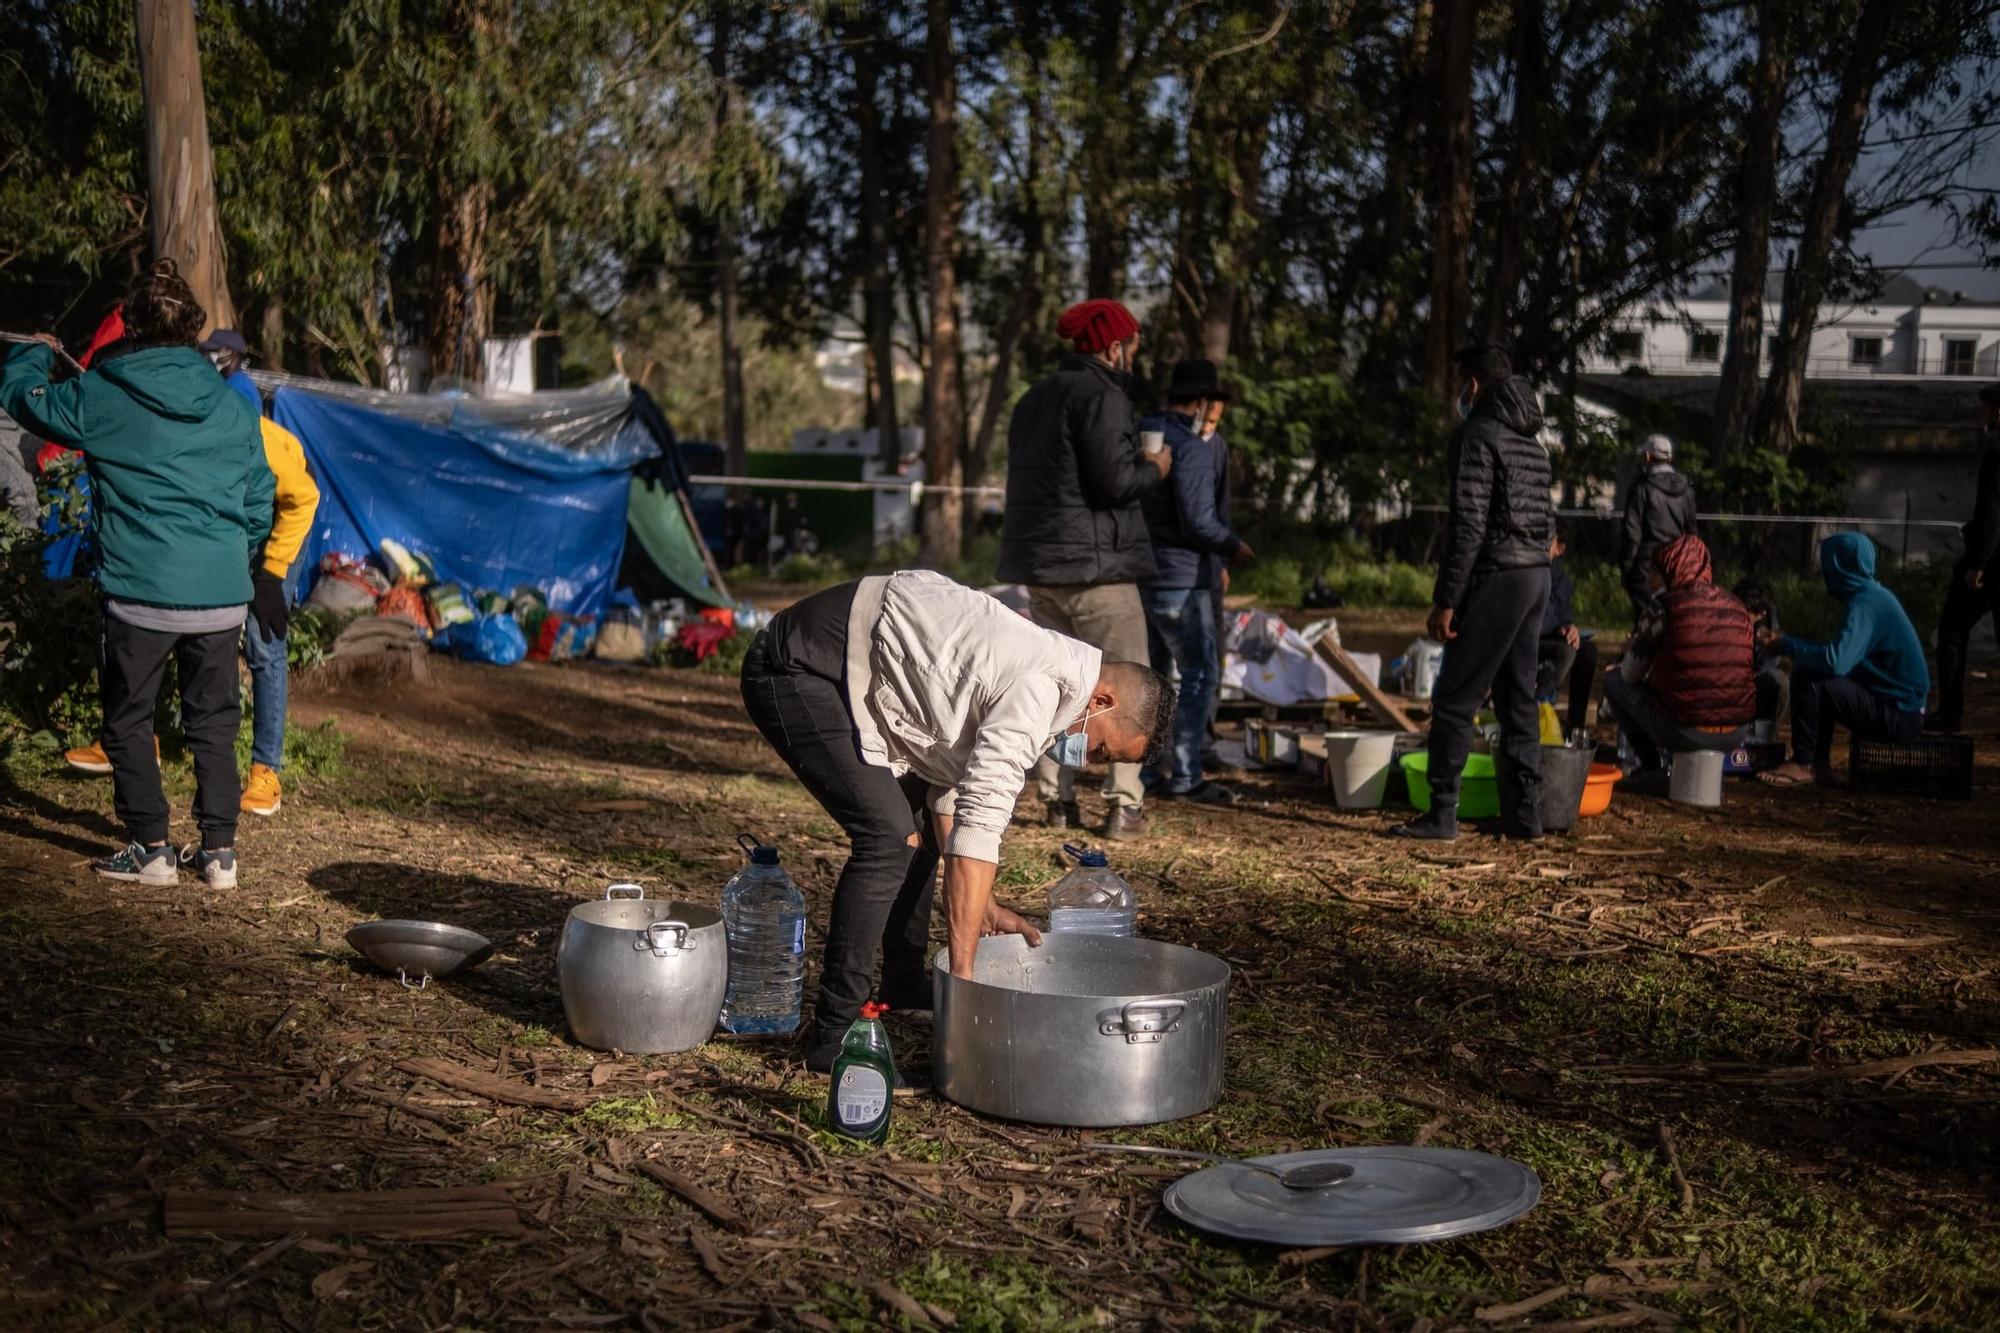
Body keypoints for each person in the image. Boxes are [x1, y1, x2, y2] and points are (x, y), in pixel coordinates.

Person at [739, 570, 1173, 1071]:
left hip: (849, 672)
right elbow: (981, 823)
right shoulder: (1041, 688)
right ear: (1101, 701)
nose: (1087, 760)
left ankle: (903, 981)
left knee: (917, 824)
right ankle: (835, 1035)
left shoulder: (1052, 678)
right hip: (795, 667)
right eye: (1100, 750)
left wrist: (980, 902)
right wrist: (965, 986)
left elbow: (952, 790)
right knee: (886, 838)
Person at [0, 259, 275, 887]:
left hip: (142, 596)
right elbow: (261, 497)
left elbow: (24, 402)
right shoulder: (232, 407)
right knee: (214, 721)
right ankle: (219, 854)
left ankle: (151, 848)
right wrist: (238, 557)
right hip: (221, 597)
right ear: (191, 330)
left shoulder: (102, 393)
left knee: (128, 718)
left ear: (134, 324)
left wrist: (33, 356)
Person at [64, 332, 318, 819]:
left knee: (264, 644)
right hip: (220, 535)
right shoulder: (161, 416)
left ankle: (268, 771)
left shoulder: (242, 424)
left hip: (279, 524)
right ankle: (138, 736)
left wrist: (270, 574)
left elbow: (302, 498)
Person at [998, 299, 1171, 839]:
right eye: (1133, 348)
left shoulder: (1032, 400)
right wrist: (1154, 467)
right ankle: (1123, 805)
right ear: (1113, 346)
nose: (1134, 359)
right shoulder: (1105, 396)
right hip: (1098, 572)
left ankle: (1057, 801)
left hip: (1040, 567)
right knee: (1129, 684)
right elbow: (1114, 483)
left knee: (1054, 687)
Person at [1392, 345, 1553, 842]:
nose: (1458, 393)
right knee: (1516, 696)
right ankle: (1525, 814)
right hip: (1536, 576)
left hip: (1498, 575)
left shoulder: (1477, 436)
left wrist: (1447, 599)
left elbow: (1468, 525)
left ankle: (1441, 812)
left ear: (1475, 385)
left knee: (1457, 696)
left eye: (1461, 381)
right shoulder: (1532, 445)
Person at [1137, 358, 1249, 805]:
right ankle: (1185, 772)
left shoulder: (1146, 434)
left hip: (1144, 573)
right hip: (1183, 577)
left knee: (1154, 677)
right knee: (1201, 672)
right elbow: (1199, 519)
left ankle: (1147, 772)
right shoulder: (1192, 446)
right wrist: (1232, 545)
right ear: (1202, 402)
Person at [1760, 532, 1929, 788]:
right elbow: (1839, 657)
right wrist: (1790, 644)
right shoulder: (1873, 596)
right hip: (1903, 709)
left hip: (1898, 716)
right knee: (1821, 678)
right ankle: (1818, 765)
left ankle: (1804, 763)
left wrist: (1786, 645)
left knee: (1809, 678)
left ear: (1839, 566)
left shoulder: (1865, 605)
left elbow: (1835, 662)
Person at [1601, 534, 1755, 771]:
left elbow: (1629, 675)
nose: (1649, 582)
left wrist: (1632, 649)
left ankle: (1650, 766)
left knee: (1613, 679)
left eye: (1654, 573)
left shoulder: (1662, 607)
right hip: (1737, 731)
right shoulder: (1737, 606)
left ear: (1671, 571)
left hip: (1684, 730)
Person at [1927, 382, 2000, 732]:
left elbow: (1992, 514)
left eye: (1984, 409)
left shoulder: (1996, 450)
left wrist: (1979, 564)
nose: (1980, 415)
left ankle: (1950, 712)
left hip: (1991, 560)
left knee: (1952, 631)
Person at [1618, 434, 1697, 624]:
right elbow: (1692, 530)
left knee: (1646, 616)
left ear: (1647, 457)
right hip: (1678, 561)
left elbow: (1632, 532)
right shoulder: (1687, 489)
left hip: (1648, 560)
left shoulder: (1642, 488)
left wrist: (1627, 566)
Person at [1536, 526, 1596, 736]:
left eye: (1547, 541)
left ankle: (1575, 726)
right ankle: (1542, 705)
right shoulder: (1528, 571)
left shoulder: (1559, 577)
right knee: (1566, 652)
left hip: (1551, 637)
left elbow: (1564, 615)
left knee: (1586, 650)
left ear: (1559, 549)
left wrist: (1570, 628)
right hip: (1528, 638)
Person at [1732, 577, 1789, 734]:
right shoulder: (1727, 619)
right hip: (1730, 679)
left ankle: (1763, 736)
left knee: (1778, 680)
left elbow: (1770, 662)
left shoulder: (1767, 617)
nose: (1762, 614)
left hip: (1756, 674)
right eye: (1757, 611)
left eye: (1764, 610)